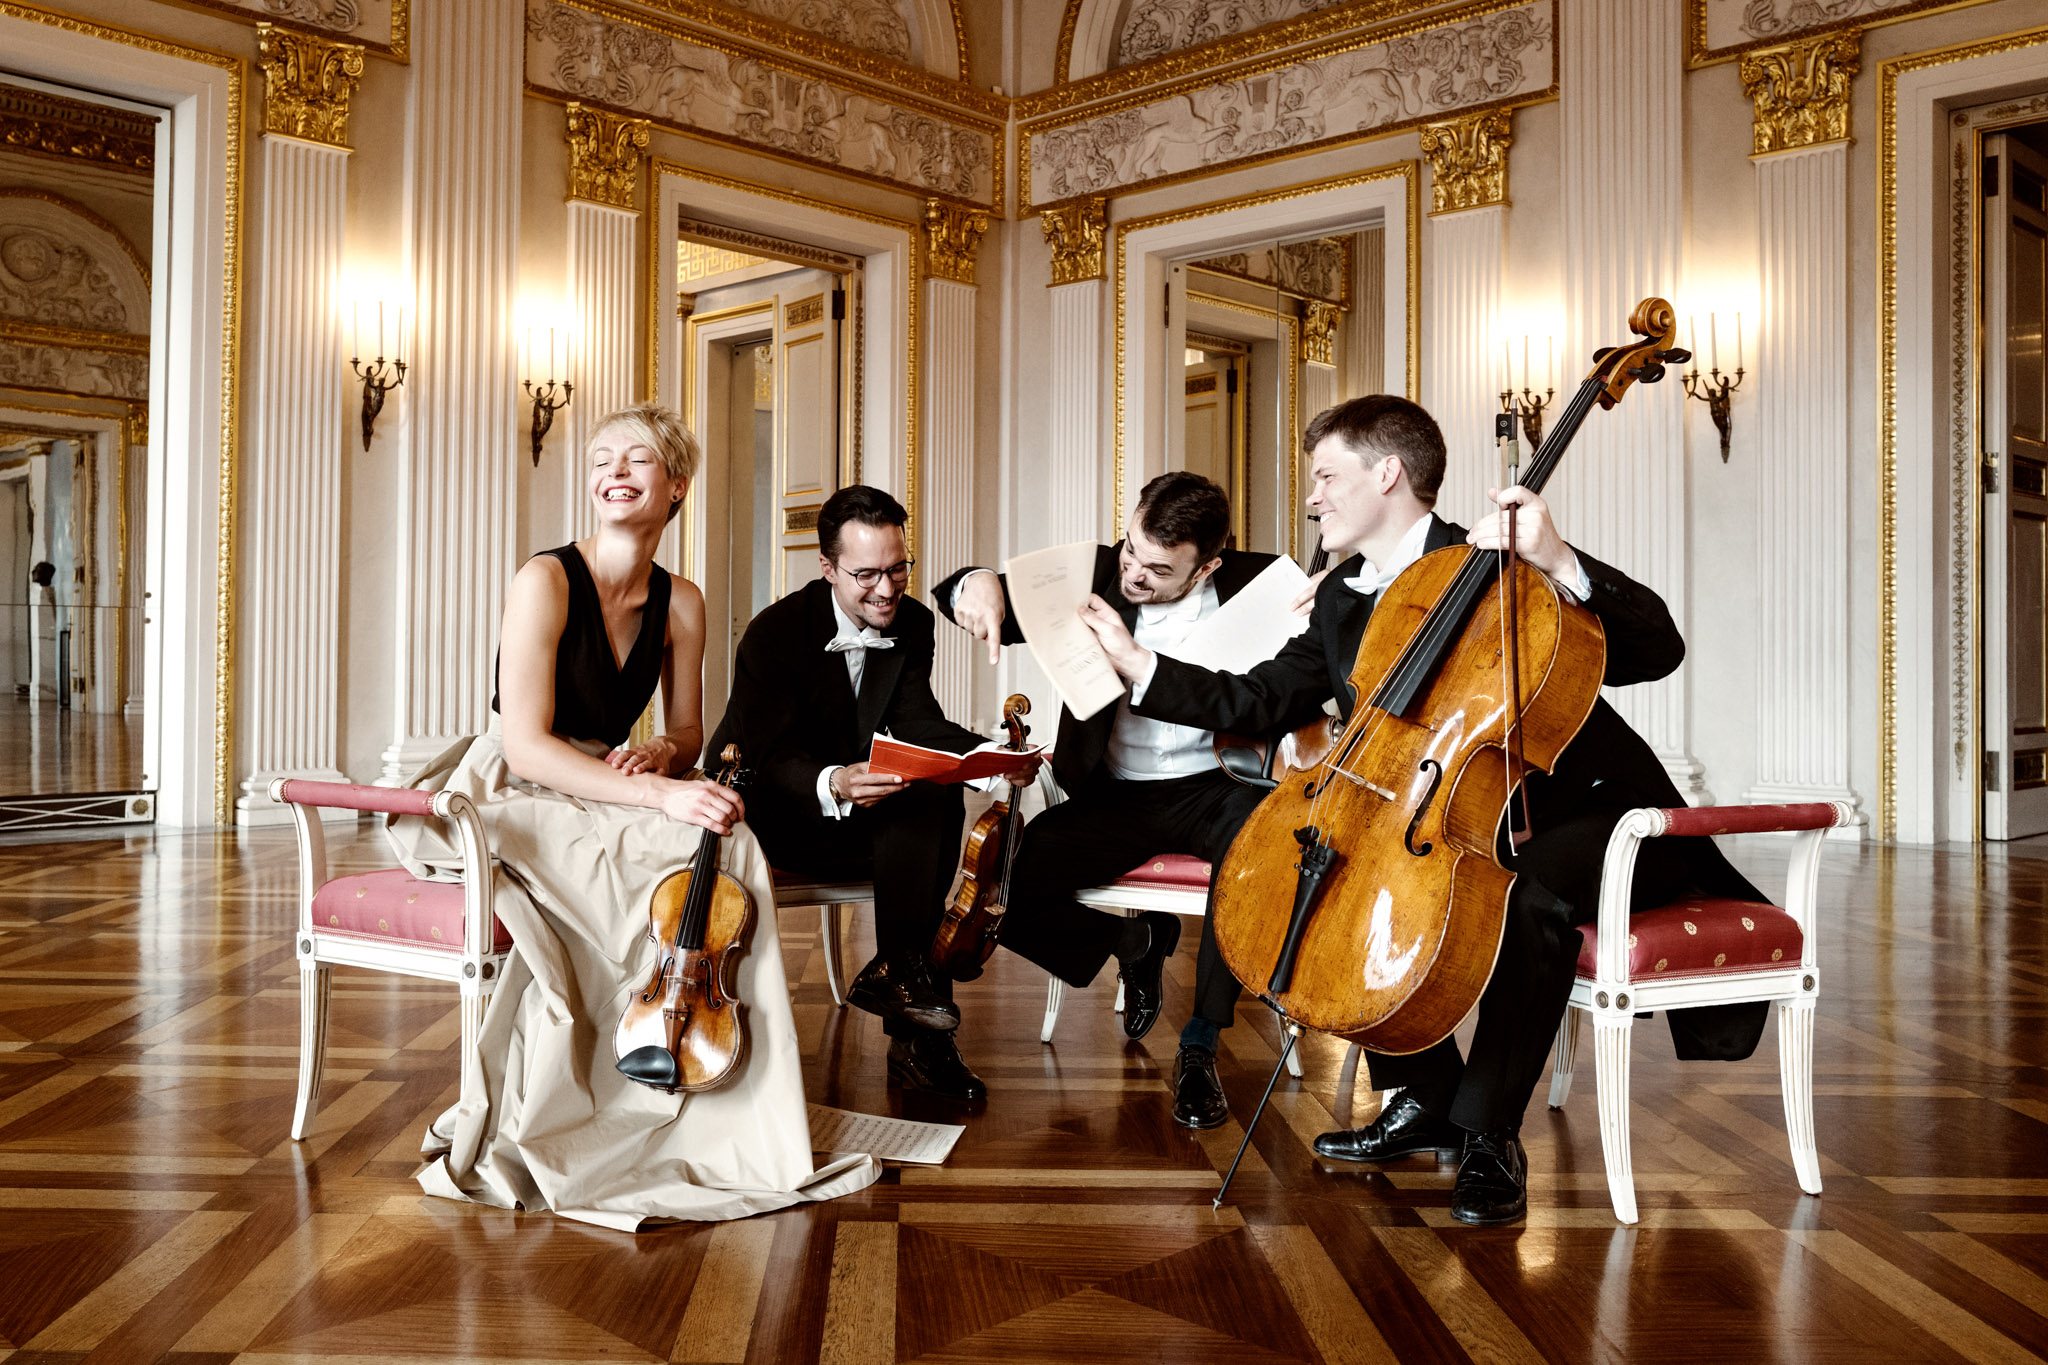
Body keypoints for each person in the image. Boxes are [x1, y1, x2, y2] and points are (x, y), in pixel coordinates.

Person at [1076, 395, 1771, 1225]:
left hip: (1584, 810)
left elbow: (1657, 648)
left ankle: (1489, 1136)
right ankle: (1425, 1099)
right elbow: (1258, 698)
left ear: (1387, 474)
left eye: (1326, 476)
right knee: (1341, 869)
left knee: (1524, 897)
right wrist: (1139, 664)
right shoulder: (1341, 597)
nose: (1312, 498)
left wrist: (1559, 558)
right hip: (1447, 811)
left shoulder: (1495, 564)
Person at [388, 402, 879, 1228]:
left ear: (676, 483)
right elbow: (529, 745)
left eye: (637, 458)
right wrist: (657, 792)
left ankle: (728, 1091)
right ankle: (602, 1099)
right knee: (650, 847)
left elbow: (689, 733)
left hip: (606, 779)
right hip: (516, 783)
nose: (613, 471)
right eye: (601, 459)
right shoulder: (544, 580)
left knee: (728, 835)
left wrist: (660, 754)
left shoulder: (682, 601)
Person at [934, 471, 1293, 1126]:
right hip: (1117, 792)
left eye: (1158, 569)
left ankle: (1200, 1045)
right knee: (1010, 883)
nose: (1134, 574)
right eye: (1131, 550)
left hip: (1218, 788)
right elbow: (964, 593)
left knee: (1247, 865)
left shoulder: (1263, 584)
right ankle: (1136, 942)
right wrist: (976, 584)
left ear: (1207, 566)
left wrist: (1336, 598)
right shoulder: (1094, 574)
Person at [709, 484, 1037, 1104]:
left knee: (933, 795)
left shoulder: (912, 622)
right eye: (866, 575)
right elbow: (765, 757)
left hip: (866, 813)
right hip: (778, 811)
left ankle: (905, 994)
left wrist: (992, 759)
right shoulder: (773, 633)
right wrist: (834, 781)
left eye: (898, 569)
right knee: (918, 823)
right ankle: (919, 1026)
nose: (887, 590)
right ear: (827, 568)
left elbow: (916, 721)